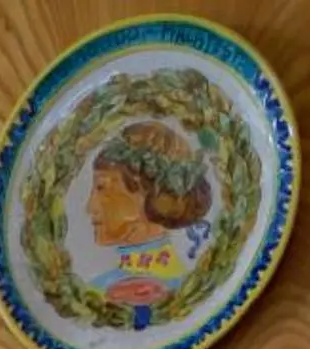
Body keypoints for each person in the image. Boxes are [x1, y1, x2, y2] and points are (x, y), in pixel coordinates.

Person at [79, 118, 214, 326]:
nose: (90, 207)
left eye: (102, 188)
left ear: (145, 193)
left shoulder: (185, 294)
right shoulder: (93, 293)